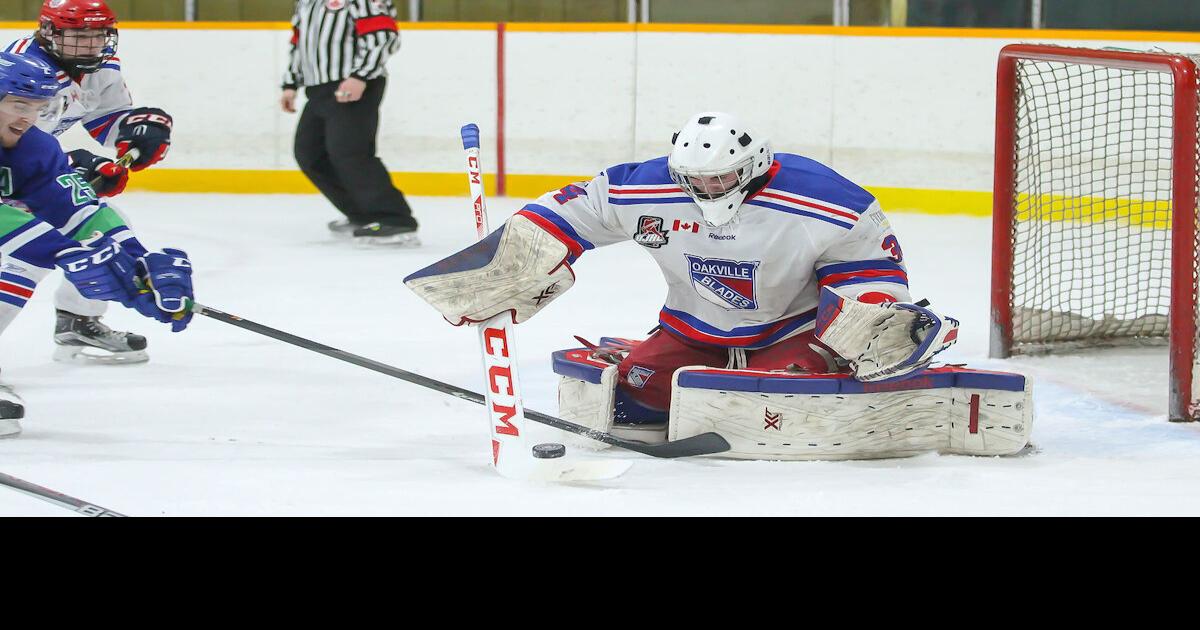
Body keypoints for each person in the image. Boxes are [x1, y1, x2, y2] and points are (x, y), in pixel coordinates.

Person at [404, 111, 959, 415]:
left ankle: (785, 370)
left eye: (717, 178)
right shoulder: (647, 187)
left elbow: (867, 271)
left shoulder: (823, 198)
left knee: (782, 400)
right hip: (694, 326)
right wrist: (503, 273)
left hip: (790, 330)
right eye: (694, 179)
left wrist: (873, 325)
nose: (705, 188)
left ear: (754, 165)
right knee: (636, 394)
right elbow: (565, 216)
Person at [0, 52, 193, 438]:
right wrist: (62, 251)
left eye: (38, 107)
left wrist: (139, 262)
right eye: (19, 104)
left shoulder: (34, 149)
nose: (28, 117)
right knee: (25, 254)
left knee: (19, 264)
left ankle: (78, 318)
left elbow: (76, 211)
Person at [3, 0, 175, 364]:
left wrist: (135, 135)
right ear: (48, 33)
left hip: (28, 175)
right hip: (14, 179)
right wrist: (75, 167)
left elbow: (105, 118)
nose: (91, 45)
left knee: (105, 230)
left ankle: (77, 320)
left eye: (98, 35)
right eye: (79, 36)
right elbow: (15, 150)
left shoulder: (100, 67)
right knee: (26, 259)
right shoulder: (20, 72)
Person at [281, 0, 419, 246]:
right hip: (319, 87)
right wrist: (291, 83)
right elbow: (299, 42)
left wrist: (360, 76)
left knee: (350, 152)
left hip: (353, 84)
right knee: (310, 153)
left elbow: (384, 36)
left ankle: (394, 219)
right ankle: (361, 213)